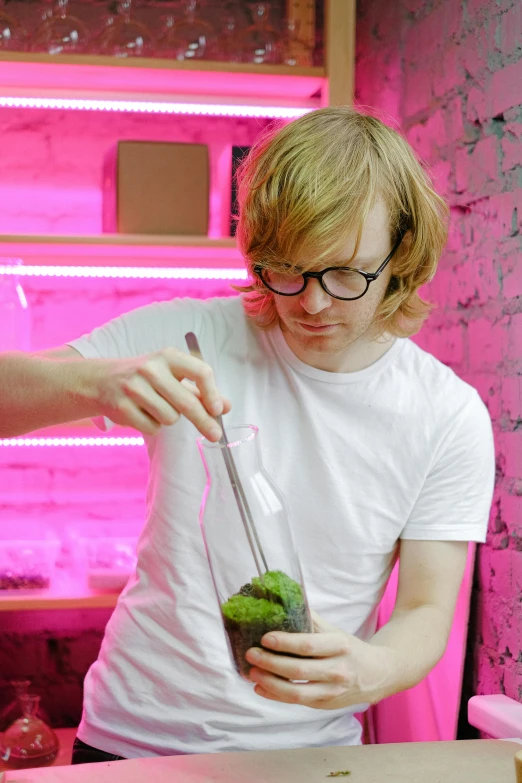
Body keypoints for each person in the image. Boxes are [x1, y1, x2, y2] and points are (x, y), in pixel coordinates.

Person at [0, 107, 495, 763]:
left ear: (401, 254)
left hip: (307, 749)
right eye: (285, 269)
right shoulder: (189, 336)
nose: (312, 303)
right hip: (133, 740)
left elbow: (428, 609)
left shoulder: (446, 413)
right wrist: (94, 382)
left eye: (345, 273)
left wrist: (368, 670)